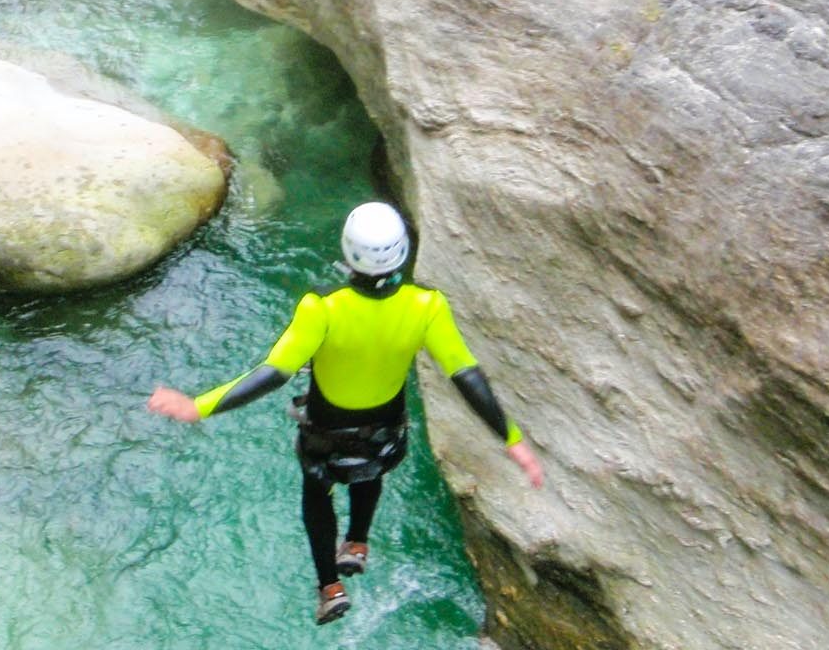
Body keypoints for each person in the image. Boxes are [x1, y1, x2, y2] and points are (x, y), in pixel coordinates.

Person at [147, 202, 544, 625]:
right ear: (403, 251)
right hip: (384, 435)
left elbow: (273, 373)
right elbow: (467, 377)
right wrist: (512, 440)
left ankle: (330, 588)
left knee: (317, 495)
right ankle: (357, 543)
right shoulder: (428, 307)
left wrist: (199, 406)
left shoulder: (322, 310)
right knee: (369, 472)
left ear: (348, 253)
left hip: (326, 438)